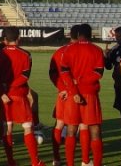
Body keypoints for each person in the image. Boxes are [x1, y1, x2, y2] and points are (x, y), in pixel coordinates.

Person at [0, 25, 45, 166]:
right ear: (19, 38)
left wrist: (2, 92)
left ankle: (10, 162)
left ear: (5, 40)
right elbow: (25, 76)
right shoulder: (26, 55)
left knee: (8, 128)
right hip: (19, 95)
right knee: (28, 127)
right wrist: (12, 87)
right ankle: (35, 162)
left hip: (5, 97)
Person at [59, 22, 105, 166]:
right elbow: (98, 73)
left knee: (71, 129)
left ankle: (70, 164)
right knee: (95, 129)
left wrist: (74, 88)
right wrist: (81, 81)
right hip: (90, 94)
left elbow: (64, 72)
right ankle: (95, 163)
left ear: (78, 35)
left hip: (73, 95)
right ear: (90, 35)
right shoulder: (97, 50)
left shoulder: (69, 50)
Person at [50, 25, 79, 166]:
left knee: (59, 124)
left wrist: (62, 88)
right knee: (83, 126)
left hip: (62, 94)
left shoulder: (59, 51)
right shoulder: (83, 51)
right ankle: (84, 161)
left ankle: (56, 158)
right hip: (78, 93)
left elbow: (53, 73)